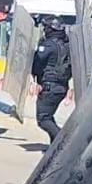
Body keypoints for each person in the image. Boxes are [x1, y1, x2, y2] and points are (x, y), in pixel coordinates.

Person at [31, 15, 71, 143]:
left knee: (43, 119)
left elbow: (37, 62)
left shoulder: (49, 45)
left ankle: (63, 142)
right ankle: (55, 145)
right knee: (48, 117)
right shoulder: (67, 44)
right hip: (61, 86)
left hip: (50, 87)